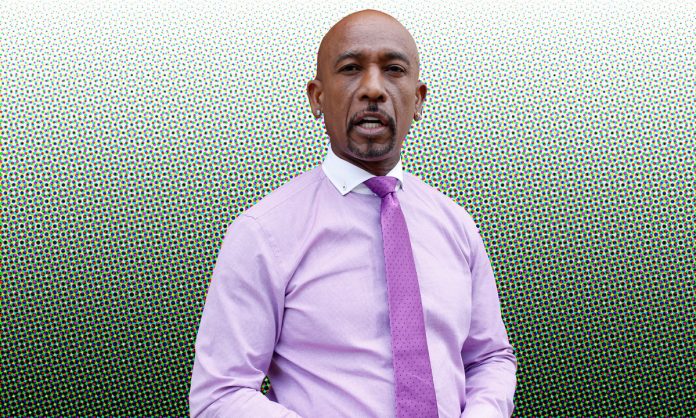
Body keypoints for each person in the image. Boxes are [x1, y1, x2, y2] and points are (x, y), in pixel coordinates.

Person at [189, 9, 517, 418]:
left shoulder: (457, 226)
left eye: (393, 69)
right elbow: (220, 394)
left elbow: (489, 359)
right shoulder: (263, 233)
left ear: (418, 99)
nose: (373, 89)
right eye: (350, 69)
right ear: (317, 97)